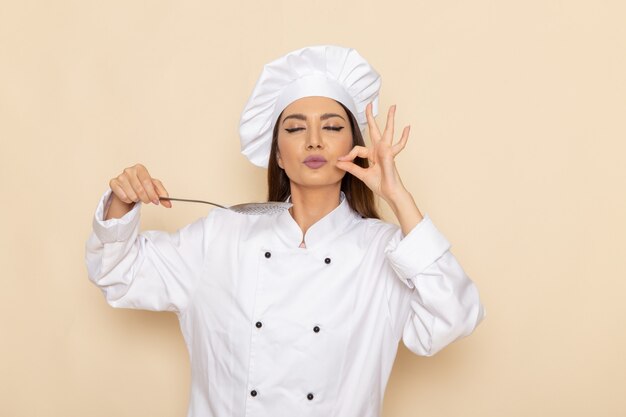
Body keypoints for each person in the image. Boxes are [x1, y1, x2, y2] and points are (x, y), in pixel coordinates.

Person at [85, 45, 486, 417]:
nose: (314, 141)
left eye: (331, 127)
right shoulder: (222, 236)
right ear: (276, 152)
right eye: (295, 129)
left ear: (355, 145)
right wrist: (123, 199)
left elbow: (453, 316)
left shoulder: (384, 251)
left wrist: (398, 196)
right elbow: (118, 273)